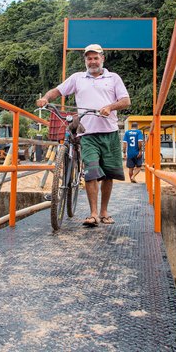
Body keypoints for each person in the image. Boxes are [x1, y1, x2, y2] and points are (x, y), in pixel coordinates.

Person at [36, 43, 131, 227]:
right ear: (85, 60)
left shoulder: (113, 78)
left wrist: (110, 107)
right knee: (91, 173)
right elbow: (57, 91)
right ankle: (93, 214)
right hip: (88, 134)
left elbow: (126, 101)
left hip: (110, 133)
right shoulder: (77, 78)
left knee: (109, 174)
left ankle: (104, 212)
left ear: (102, 58)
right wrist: (46, 99)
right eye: (89, 58)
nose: (93, 61)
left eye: (96, 58)